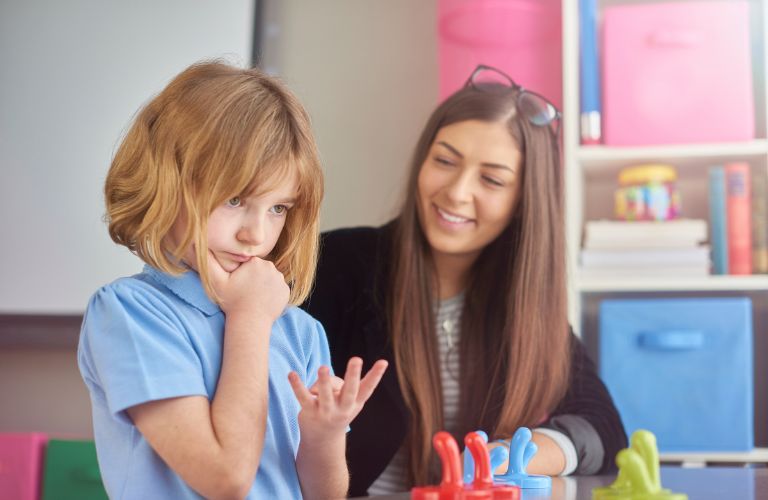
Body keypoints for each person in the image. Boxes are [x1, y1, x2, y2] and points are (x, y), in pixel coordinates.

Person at [302, 64, 627, 496]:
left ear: (523, 201)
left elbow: (602, 427)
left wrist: (520, 455)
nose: (456, 192)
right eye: (444, 161)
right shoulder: (335, 265)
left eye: (491, 179)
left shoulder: (521, 303)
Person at [77, 61, 387, 499]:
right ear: (168, 183)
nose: (255, 235)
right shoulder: (129, 313)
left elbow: (325, 495)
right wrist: (249, 319)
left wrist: (324, 435)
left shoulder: (300, 332)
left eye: (278, 208)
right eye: (235, 198)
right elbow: (225, 479)